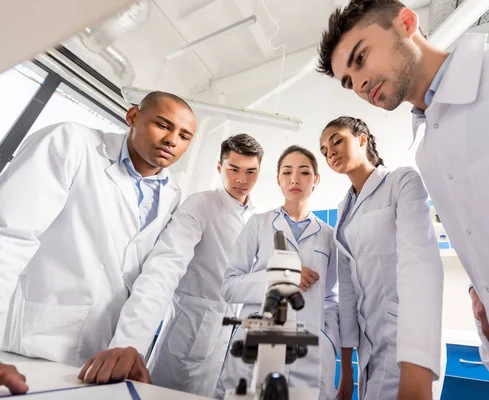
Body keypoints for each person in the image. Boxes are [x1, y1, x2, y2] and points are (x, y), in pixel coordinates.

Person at [316, 0, 489, 398]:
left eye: (360, 58)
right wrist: (483, 290)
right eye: (348, 81)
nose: (359, 84)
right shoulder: (428, 150)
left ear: (407, 22)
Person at [0, 91, 197, 385]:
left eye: (184, 136)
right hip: (30, 342)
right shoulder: (71, 142)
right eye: (163, 124)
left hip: (99, 354)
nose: (172, 140)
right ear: (133, 117)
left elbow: (152, 278)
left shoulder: (172, 193)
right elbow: (9, 235)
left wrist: (129, 345)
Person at [318, 116, 444, 400]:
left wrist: (419, 361)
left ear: (362, 138)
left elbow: (421, 267)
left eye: (337, 140)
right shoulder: (343, 209)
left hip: (407, 343)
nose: (330, 152)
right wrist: (347, 372)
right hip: (367, 348)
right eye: (324, 150)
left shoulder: (401, 181)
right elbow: (347, 291)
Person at [215, 145, 340, 400]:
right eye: (287, 172)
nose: (295, 179)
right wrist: (286, 277)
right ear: (278, 179)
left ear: (315, 179)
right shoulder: (259, 224)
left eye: (304, 172)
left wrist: (329, 344)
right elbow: (229, 286)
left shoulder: (329, 236)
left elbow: (330, 298)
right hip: (258, 343)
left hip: (310, 351)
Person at [144, 134, 263, 397]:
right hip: (191, 327)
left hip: (229, 332)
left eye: (251, 171)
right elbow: (168, 262)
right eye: (234, 169)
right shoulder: (201, 204)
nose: (242, 180)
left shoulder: (257, 218)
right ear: (220, 168)